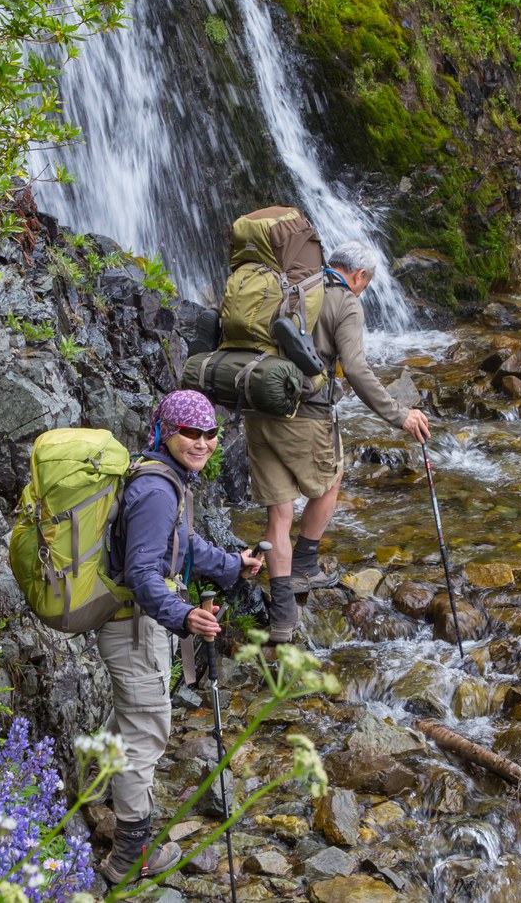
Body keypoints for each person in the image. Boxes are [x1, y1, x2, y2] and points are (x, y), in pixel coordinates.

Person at [96, 390, 265, 889]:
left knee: (130, 717)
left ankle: (92, 795)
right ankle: (129, 857)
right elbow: (142, 573)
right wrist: (185, 615)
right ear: (166, 432)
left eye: (210, 432)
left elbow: (181, 542)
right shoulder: (157, 490)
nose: (203, 442)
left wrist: (232, 565)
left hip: (136, 622)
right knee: (145, 737)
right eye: (190, 432)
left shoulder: (163, 477)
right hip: (134, 627)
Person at [248, 239, 430, 642]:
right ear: (359, 275)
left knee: (278, 514)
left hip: (257, 407)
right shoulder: (344, 301)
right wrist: (399, 415)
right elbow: (357, 369)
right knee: (332, 478)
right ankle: (304, 565)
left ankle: (282, 617)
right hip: (305, 414)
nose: (363, 290)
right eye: (366, 284)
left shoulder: (286, 288)